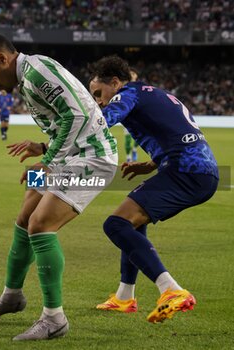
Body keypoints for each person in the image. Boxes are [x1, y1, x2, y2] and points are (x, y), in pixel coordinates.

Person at [0, 34, 118, 340]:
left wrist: (49, 160)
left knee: (40, 224)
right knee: (25, 217)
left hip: (92, 158)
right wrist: (43, 146)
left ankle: (54, 319)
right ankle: (12, 296)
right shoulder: (28, 79)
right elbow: (67, 118)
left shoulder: (37, 72)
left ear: (2, 59)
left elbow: (77, 115)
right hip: (66, 157)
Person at [88, 55, 218, 322]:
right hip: (196, 169)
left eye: (99, 94)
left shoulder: (127, 94)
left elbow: (101, 123)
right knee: (130, 222)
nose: (98, 101)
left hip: (185, 171)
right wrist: (151, 164)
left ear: (115, 82)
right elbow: (177, 130)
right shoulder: (154, 92)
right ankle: (124, 297)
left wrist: (48, 147)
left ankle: (171, 289)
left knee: (115, 225)